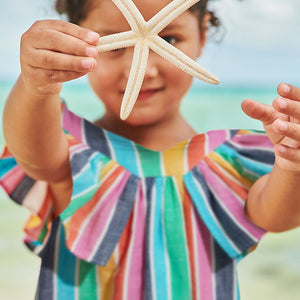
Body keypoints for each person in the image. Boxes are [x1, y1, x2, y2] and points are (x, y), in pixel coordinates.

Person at [0, 0, 300, 299]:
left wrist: (292, 165)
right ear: (77, 44)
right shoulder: (71, 151)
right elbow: (36, 159)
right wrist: (36, 86)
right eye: (113, 45)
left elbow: (275, 215)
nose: (140, 69)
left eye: (168, 39)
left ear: (203, 35)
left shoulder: (229, 160)